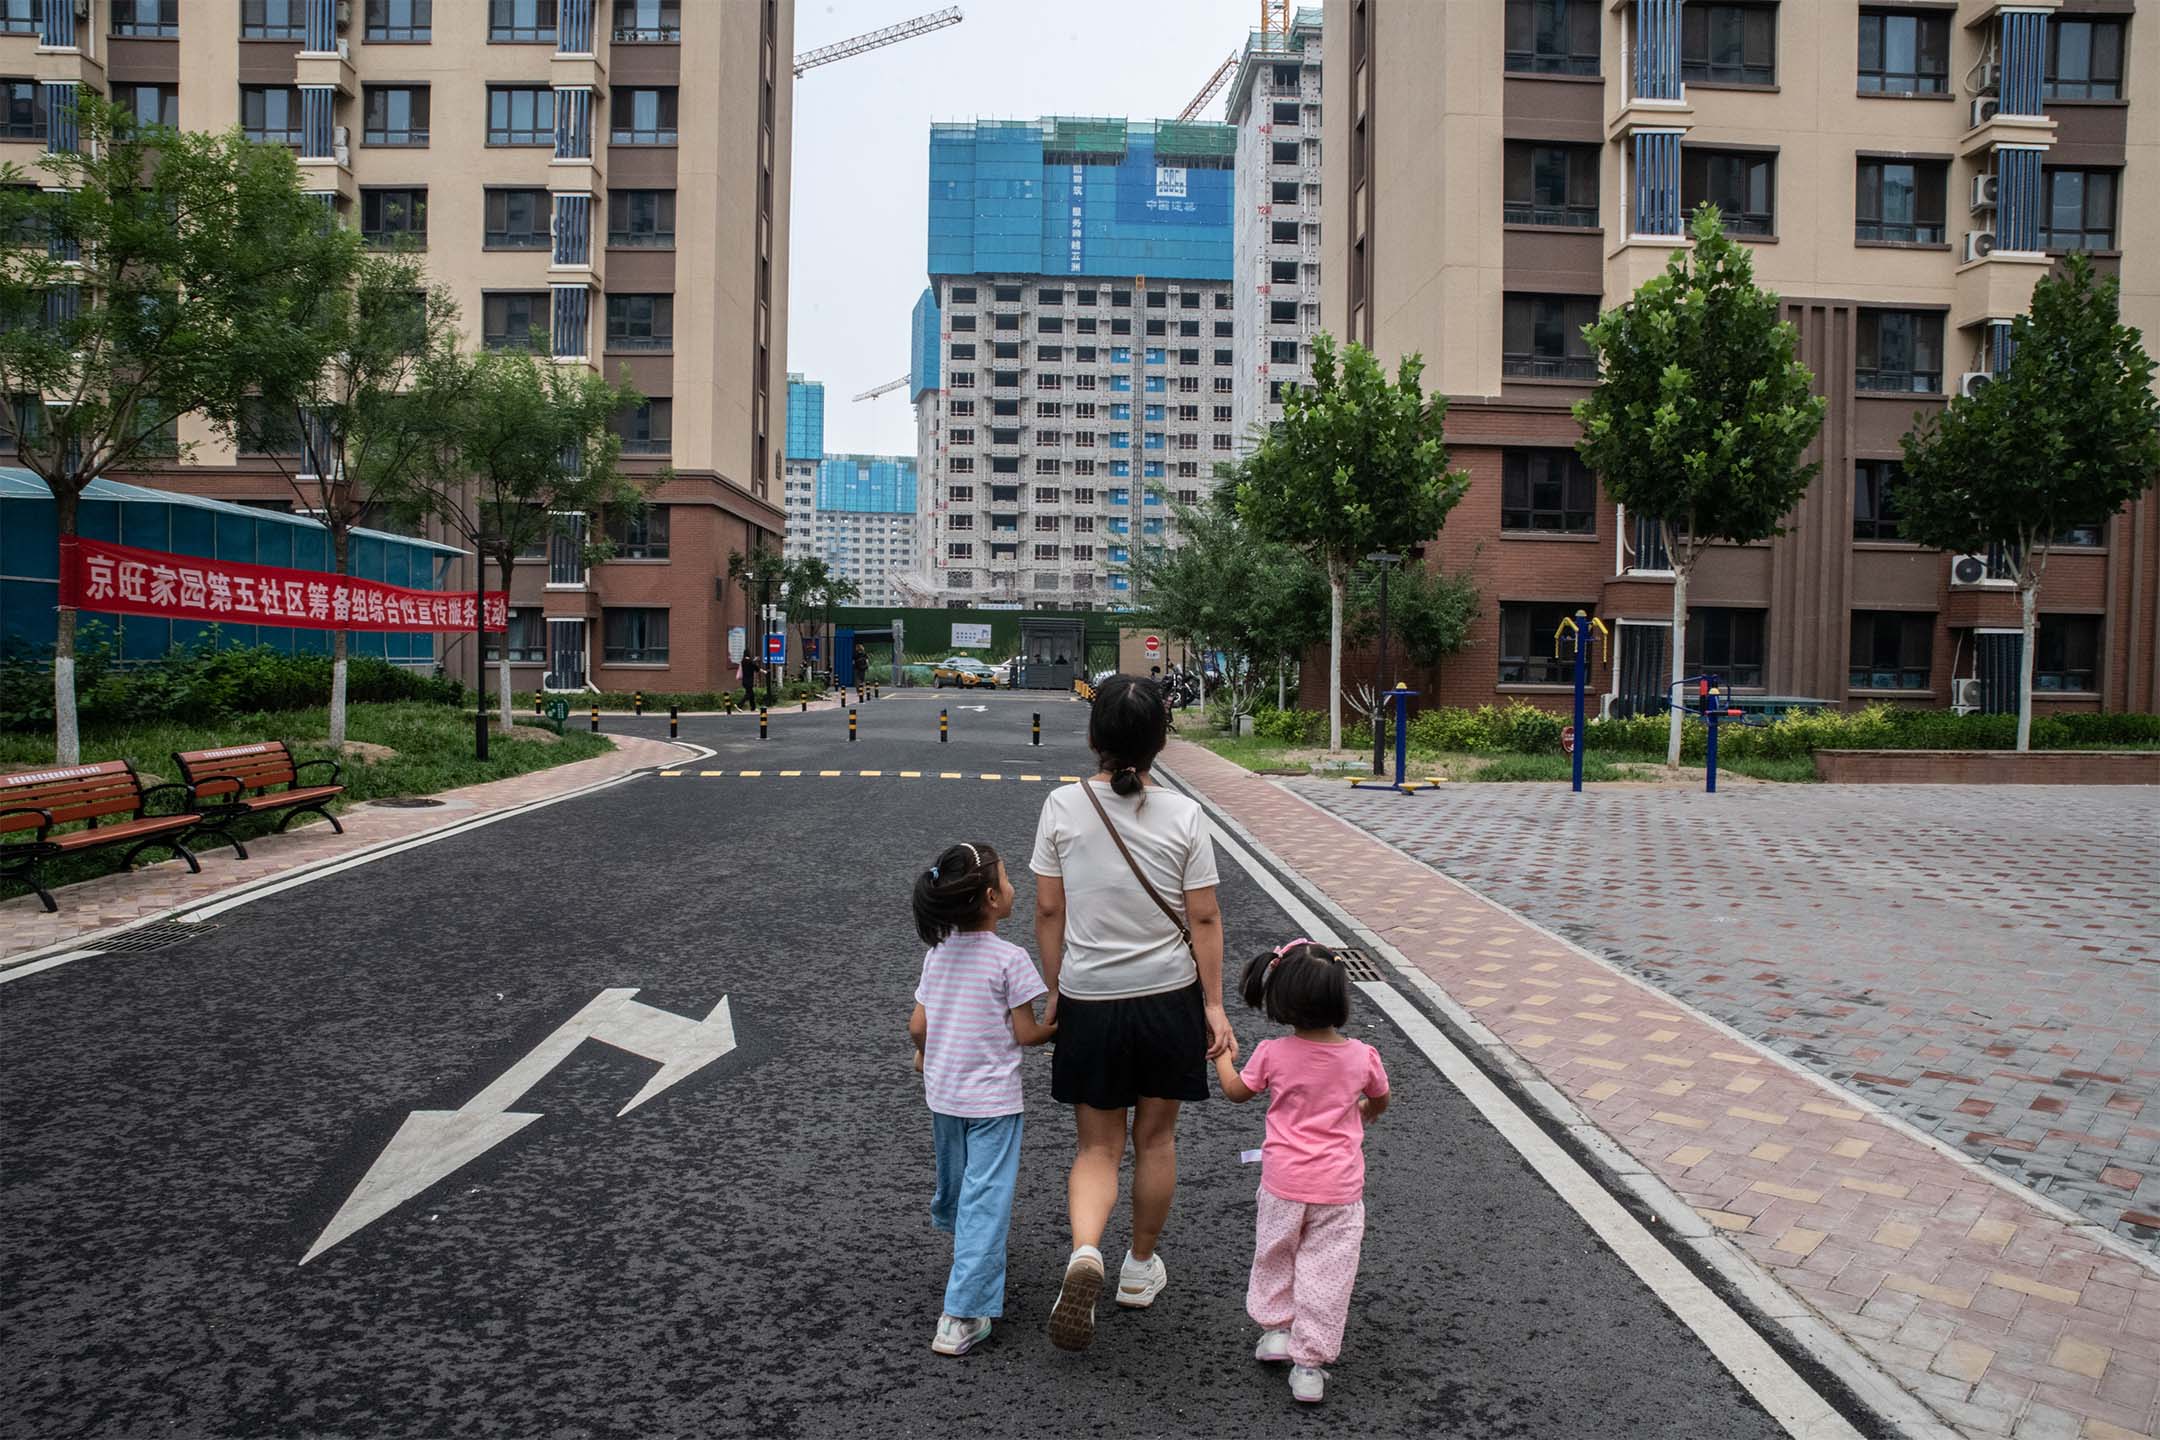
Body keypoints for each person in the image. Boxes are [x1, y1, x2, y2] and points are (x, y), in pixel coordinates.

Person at [1030, 673, 1234, 1352]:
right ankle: (1139, 1269)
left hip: (1091, 998)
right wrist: (1214, 1004)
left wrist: (1057, 990)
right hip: (1166, 999)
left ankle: (1085, 1251)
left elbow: (1050, 909)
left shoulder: (1061, 806)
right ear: (1160, 743)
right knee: (1155, 1140)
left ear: (1093, 739)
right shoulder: (1183, 815)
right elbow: (1202, 915)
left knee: (1096, 1147)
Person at [1213, 941, 1390, 1404]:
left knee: (1275, 1253)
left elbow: (1236, 1092)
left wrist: (1221, 1056)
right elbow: (1382, 1098)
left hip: (1283, 1182)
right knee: (1328, 1271)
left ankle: (1275, 1332)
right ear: (1340, 998)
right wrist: (1366, 1108)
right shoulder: (1363, 1056)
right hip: (1339, 1189)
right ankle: (1309, 1365)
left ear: (1282, 1000)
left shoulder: (1273, 1053)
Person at [908, 841, 1057, 1357]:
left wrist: (924, 1054)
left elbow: (918, 1024)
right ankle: (963, 1312)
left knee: (958, 1183)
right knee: (987, 1198)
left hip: (944, 1095)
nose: (1015, 887)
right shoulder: (1009, 959)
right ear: (993, 897)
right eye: (1010, 879)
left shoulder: (937, 953)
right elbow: (1025, 1034)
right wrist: (1055, 1026)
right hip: (993, 1102)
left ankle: (962, 1230)